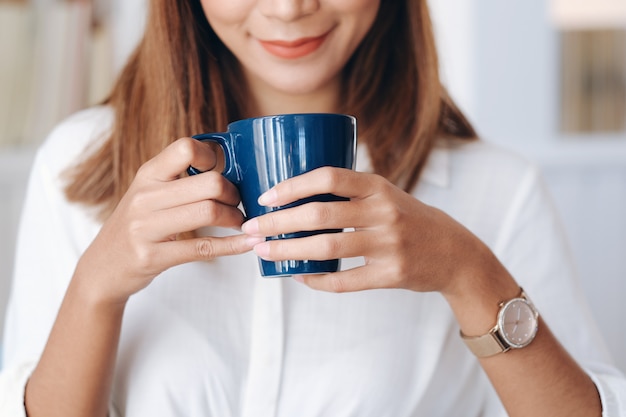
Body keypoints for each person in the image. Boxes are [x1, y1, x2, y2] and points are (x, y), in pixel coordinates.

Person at [1, 0, 624, 416]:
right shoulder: (84, 163)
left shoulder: (498, 188)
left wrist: (468, 274)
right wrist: (95, 288)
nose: (289, 7)